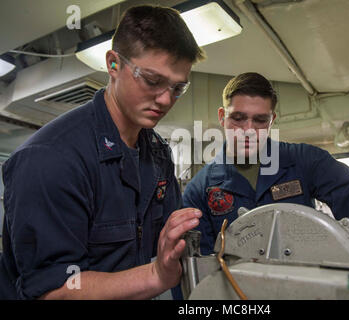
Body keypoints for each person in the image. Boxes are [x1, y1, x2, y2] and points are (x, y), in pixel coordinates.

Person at [0, 5, 205, 299]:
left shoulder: (157, 152)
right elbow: (55, 291)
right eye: (152, 80)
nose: (165, 99)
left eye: (177, 88)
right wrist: (155, 275)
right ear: (113, 64)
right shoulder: (49, 159)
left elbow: (165, 244)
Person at [182, 72, 349, 256]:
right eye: (238, 118)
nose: (248, 130)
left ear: (271, 120)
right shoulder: (199, 190)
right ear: (222, 117)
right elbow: (198, 267)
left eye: (259, 120)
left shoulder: (305, 161)